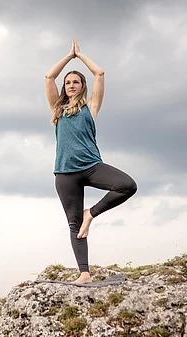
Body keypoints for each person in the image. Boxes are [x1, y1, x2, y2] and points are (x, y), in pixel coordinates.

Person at [45, 40, 137, 284]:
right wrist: (68, 56)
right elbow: (48, 77)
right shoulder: (57, 108)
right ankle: (84, 274)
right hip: (65, 174)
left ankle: (91, 213)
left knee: (127, 185)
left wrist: (80, 56)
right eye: (68, 82)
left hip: (91, 166)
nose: (71, 85)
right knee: (74, 225)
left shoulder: (91, 107)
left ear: (82, 85)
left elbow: (100, 73)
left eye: (76, 81)